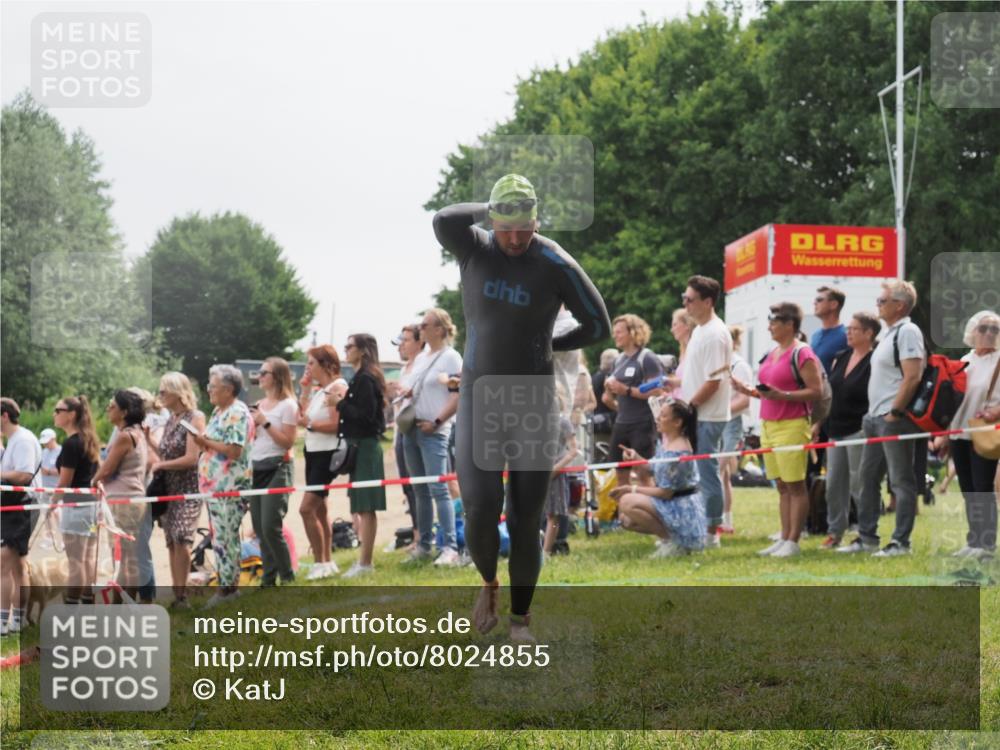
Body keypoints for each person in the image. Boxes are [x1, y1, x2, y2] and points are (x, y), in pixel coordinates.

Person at [432, 173, 610, 642]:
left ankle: (520, 619)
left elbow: (598, 325)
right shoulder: (475, 246)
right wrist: (493, 209)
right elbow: (443, 217)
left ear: (536, 222)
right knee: (478, 505)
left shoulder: (554, 261)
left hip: (532, 398)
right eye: (505, 227)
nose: (514, 239)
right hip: (479, 397)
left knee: (526, 514)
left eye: (524, 228)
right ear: (493, 220)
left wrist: (550, 342)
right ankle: (488, 584)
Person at [838, 280, 926, 557]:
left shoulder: (908, 332)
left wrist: (896, 411)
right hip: (874, 417)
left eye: (882, 301)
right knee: (867, 478)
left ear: (899, 305)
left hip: (893, 418)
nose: (877, 305)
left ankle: (901, 542)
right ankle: (867, 538)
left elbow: (913, 375)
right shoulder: (889, 334)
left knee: (900, 481)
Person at [732, 303, 823, 558]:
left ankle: (793, 540)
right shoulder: (772, 352)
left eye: (774, 322)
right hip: (768, 424)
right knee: (782, 485)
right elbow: (768, 392)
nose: (769, 326)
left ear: (790, 325)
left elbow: (816, 391)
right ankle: (784, 537)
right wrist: (748, 391)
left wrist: (782, 395)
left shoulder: (802, 353)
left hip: (792, 425)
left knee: (796, 485)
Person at [400, 308, 463, 567]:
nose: (420, 329)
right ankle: (424, 544)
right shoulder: (424, 357)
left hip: (434, 430)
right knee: (419, 489)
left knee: (438, 488)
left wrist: (437, 422)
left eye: (425, 325)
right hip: (411, 427)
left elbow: (458, 394)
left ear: (439, 329)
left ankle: (449, 546)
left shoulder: (451, 357)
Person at [613, 399, 706, 556]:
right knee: (625, 519)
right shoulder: (669, 444)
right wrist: (635, 456)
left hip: (680, 508)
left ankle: (675, 542)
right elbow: (651, 468)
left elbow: (666, 493)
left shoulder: (677, 452)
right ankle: (671, 539)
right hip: (672, 503)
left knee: (627, 501)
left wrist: (632, 488)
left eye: (662, 416)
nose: (657, 418)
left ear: (677, 422)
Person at [193, 365, 254, 606]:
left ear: (228, 389)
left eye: (213, 386)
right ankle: (228, 587)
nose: (209, 390)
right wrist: (203, 442)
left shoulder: (236, 413)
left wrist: (205, 441)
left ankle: (226, 590)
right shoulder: (220, 411)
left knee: (225, 538)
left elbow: (234, 450)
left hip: (229, 487)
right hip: (215, 487)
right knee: (221, 537)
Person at [941, 311, 1000, 560]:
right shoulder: (964, 361)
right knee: (967, 488)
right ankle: (974, 539)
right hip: (959, 430)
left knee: (982, 487)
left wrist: (996, 412)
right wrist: (944, 434)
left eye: (995, 330)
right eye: (984, 328)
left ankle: (986, 544)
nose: (988, 333)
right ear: (973, 331)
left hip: (984, 430)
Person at [679, 275, 732, 548]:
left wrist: (689, 407)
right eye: (684, 298)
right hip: (699, 414)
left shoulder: (715, 334)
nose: (685, 304)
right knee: (698, 474)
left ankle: (712, 531)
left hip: (707, 416)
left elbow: (714, 381)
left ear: (708, 302)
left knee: (706, 473)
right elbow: (699, 375)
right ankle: (702, 525)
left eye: (690, 299)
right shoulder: (700, 330)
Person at [330, 333, 388, 578]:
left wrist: (340, 403)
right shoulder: (360, 377)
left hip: (365, 446)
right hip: (359, 446)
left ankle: (366, 563)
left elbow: (366, 416)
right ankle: (363, 561)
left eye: (349, 346)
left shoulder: (366, 378)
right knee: (361, 505)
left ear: (363, 350)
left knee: (366, 506)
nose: (346, 350)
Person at [147, 372, 205, 608]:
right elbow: (166, 453)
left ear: (177, 392)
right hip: (169, 487)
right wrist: (148, 440)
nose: (160, 396)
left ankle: (182, 594)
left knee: (182, 536)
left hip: (188, 487)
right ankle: (177, 593)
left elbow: (191, 458)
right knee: (172, 539)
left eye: (163, 391)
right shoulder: (171, 419)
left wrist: (161, 464)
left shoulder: (195, 417)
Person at [821, 312, 878, 549]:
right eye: (849, 329)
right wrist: (818, 422)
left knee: (859, 484)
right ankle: (835, 532)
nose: (848, 332)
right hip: (835, 429)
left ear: (868, 333)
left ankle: (866, 533)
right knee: (834, 484)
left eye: (854, 329)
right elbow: (830, 393)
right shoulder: (840, 357)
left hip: (858, 430)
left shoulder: (875, 361)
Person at [297, 345, 349, 580]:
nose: (308, 368)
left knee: (306, 508)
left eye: (311, 363)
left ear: (326, 364)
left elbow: (337, 425)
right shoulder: (321, 391)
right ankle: (327, 561)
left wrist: (310, 425)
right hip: (313, 451)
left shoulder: (337, 387)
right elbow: (302, 416)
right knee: (320, 509)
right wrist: (305, 390)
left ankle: (319, 561)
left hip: (327, 454)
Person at [91, 390, 148, 596]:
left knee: (124, 557)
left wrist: (93, 481)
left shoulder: (125, 436)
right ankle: (125, 603)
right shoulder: (137, 433)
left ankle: (124, 605)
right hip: (131, 498)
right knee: (127, 555)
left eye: (112, 406)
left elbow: (107, 468)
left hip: (123, 500)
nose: (108, 409)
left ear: (124, 412)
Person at [249, 357, 299, 586]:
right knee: (260, 528)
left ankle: (287, 576)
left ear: (277, 376)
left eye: (264, 372)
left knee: (270, 526)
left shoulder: (288, 405)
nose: (259, 376)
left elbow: (288, 442)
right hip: (257, 467)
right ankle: (268, 579)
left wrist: (265, 423)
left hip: (279, 466)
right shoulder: (259, 404)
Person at [603, 314, 663, 493]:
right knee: (620, 473)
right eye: (614, 332)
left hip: (642, 423)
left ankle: (649, 515)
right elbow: (615, 396)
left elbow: (657, 390)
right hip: (621, 423)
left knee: (644, 474)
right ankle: (625, 517)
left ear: (633, 332)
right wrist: (609, 395)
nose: (615, 336)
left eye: (619, 332)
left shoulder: (647, 358)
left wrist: (626, 390)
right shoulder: (618, 360)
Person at [51, 396, 101, 605]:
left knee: (75, 561)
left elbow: (65, 481)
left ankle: (72, 605)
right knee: (86, 558)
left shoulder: (72, 444)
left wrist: (51, 504)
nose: (54, 413)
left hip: (75, 506)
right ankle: (88, 601)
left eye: (58, 410)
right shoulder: (88, 439)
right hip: (90, 505)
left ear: (71, 414)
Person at [0, 398, 42, 635]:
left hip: (23, 507)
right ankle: (18, 620)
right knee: (17, 566)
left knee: (4, 563)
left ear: (4, 416)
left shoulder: (23, 439)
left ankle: (5, 622)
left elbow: (24, 475)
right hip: (16, 508)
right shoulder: (13, 440)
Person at [719, 325, 753, 534]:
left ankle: (725, 520)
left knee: (720, 470)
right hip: (718, 422)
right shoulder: (720, 363)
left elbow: (744, 401)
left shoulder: (739, 365)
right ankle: (725, 520)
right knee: (720, 475)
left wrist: (719, 410)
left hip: (730, 423)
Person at [392, 324, 423, 547]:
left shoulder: (422, 365)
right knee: (408, 487)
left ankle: (424, 535)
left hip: (419, 430)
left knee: (422, 487)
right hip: (401, 431)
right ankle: (416, 533)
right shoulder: (404, 369)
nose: (401, 345)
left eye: (405, 340)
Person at [543, 386, 577, 556]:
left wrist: (557, 467)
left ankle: (547, 551)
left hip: (556, 475)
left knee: (554, 515)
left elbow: (573, 450)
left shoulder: (563, 423)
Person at [811, 286, 848, 374]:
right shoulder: (815, 335)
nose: (814, 303)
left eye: (819, 300)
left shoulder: (846, 336)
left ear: (833, 304)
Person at [663, 308, 696, 396]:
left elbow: (697, 380)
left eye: (675, 325)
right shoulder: (683, 351)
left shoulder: (695, 349)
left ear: (687, 325)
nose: (671, 329)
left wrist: (673, 382)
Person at [591, 348, 619, 448]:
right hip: (608, 425)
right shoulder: (610, 379)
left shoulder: (594, 377)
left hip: (596, 422)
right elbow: (607, 399)